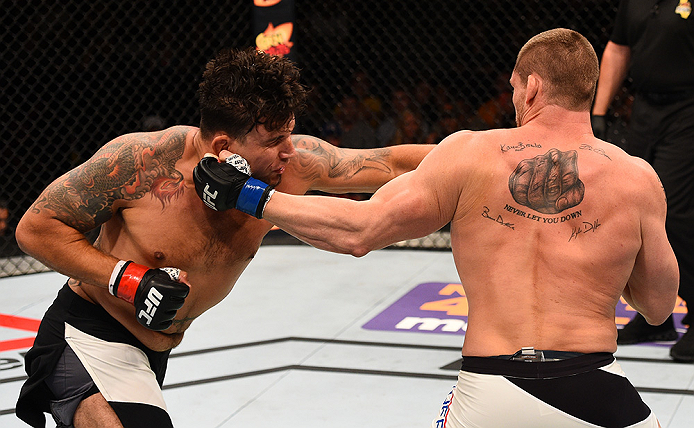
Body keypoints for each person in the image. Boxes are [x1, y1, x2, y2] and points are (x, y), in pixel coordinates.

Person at [194, 29, 679, 428]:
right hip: (596, 394)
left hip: (491, 393)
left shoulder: (470, 152)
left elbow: (358, 231)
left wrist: (247, 194)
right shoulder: (637, 179)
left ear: (531, 87)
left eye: (513, 88)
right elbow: (658, 307)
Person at [14, 47, 433, 428]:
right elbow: (36, 228)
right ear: (223, 145)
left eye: (290, 134)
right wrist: (127, 279)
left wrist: (485, 154)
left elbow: (392, 163)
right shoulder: (142, 163)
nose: (290, 151)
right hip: (88, 334)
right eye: (274, 141)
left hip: (152, 353)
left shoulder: (293, 167)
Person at [591, 0, 694, 362]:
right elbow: (619, 46)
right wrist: (599, 110)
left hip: (689, 109)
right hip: (646, 110)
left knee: (676, 214)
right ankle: (655, 316)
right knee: (633, 208)